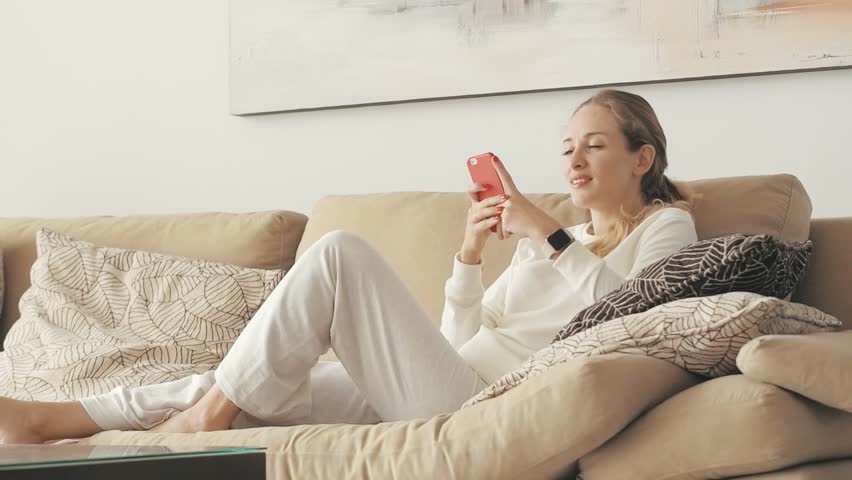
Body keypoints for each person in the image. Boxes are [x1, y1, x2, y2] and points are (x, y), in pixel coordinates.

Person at [0, 89, 697, 444]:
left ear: (643, 158)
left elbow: (631, 315)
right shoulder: (562, 238)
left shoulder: (668, 225)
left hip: (489, 407)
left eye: (595, 146)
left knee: (339, 255)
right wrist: (468, 255)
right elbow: (464, 336)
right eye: (568, 147)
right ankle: (55, 419)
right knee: (250, 382)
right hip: (453, 379)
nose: (573, 160)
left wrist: (545, 234)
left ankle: (202, 420)